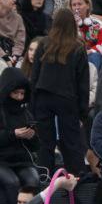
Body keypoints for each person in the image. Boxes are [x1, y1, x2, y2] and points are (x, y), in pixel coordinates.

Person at [30, 9, 90, 176]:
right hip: (67, 99)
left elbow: (34, 76)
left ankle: (44, 178)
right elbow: (82, 84)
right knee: (71, 141)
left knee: (45, 142)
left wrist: (32, 104)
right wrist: (83, 113)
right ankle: (76, 178)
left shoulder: (43, 43)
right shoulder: (78, 47)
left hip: (43, 96)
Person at [0, 69, 39, 204]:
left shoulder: (25, 113)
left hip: (21, 160)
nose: (19, 97)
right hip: (2, 161)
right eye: (15, 93)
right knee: (12, 183)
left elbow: (36, 147)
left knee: (33, 180)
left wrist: (32, 136)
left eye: (22, 94)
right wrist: (12, 134)